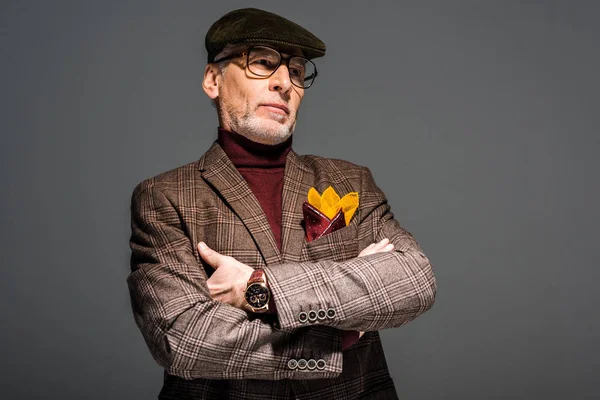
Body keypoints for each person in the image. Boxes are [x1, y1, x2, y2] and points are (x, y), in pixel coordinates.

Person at [127, 7, 436, 399]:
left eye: (295, 70)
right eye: (262, 63)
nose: (283, 83)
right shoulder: (165, 197)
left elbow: (413, 280)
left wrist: (261, 286)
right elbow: (187, 340)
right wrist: (336, 337)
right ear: (212, 80)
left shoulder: (350, 180)